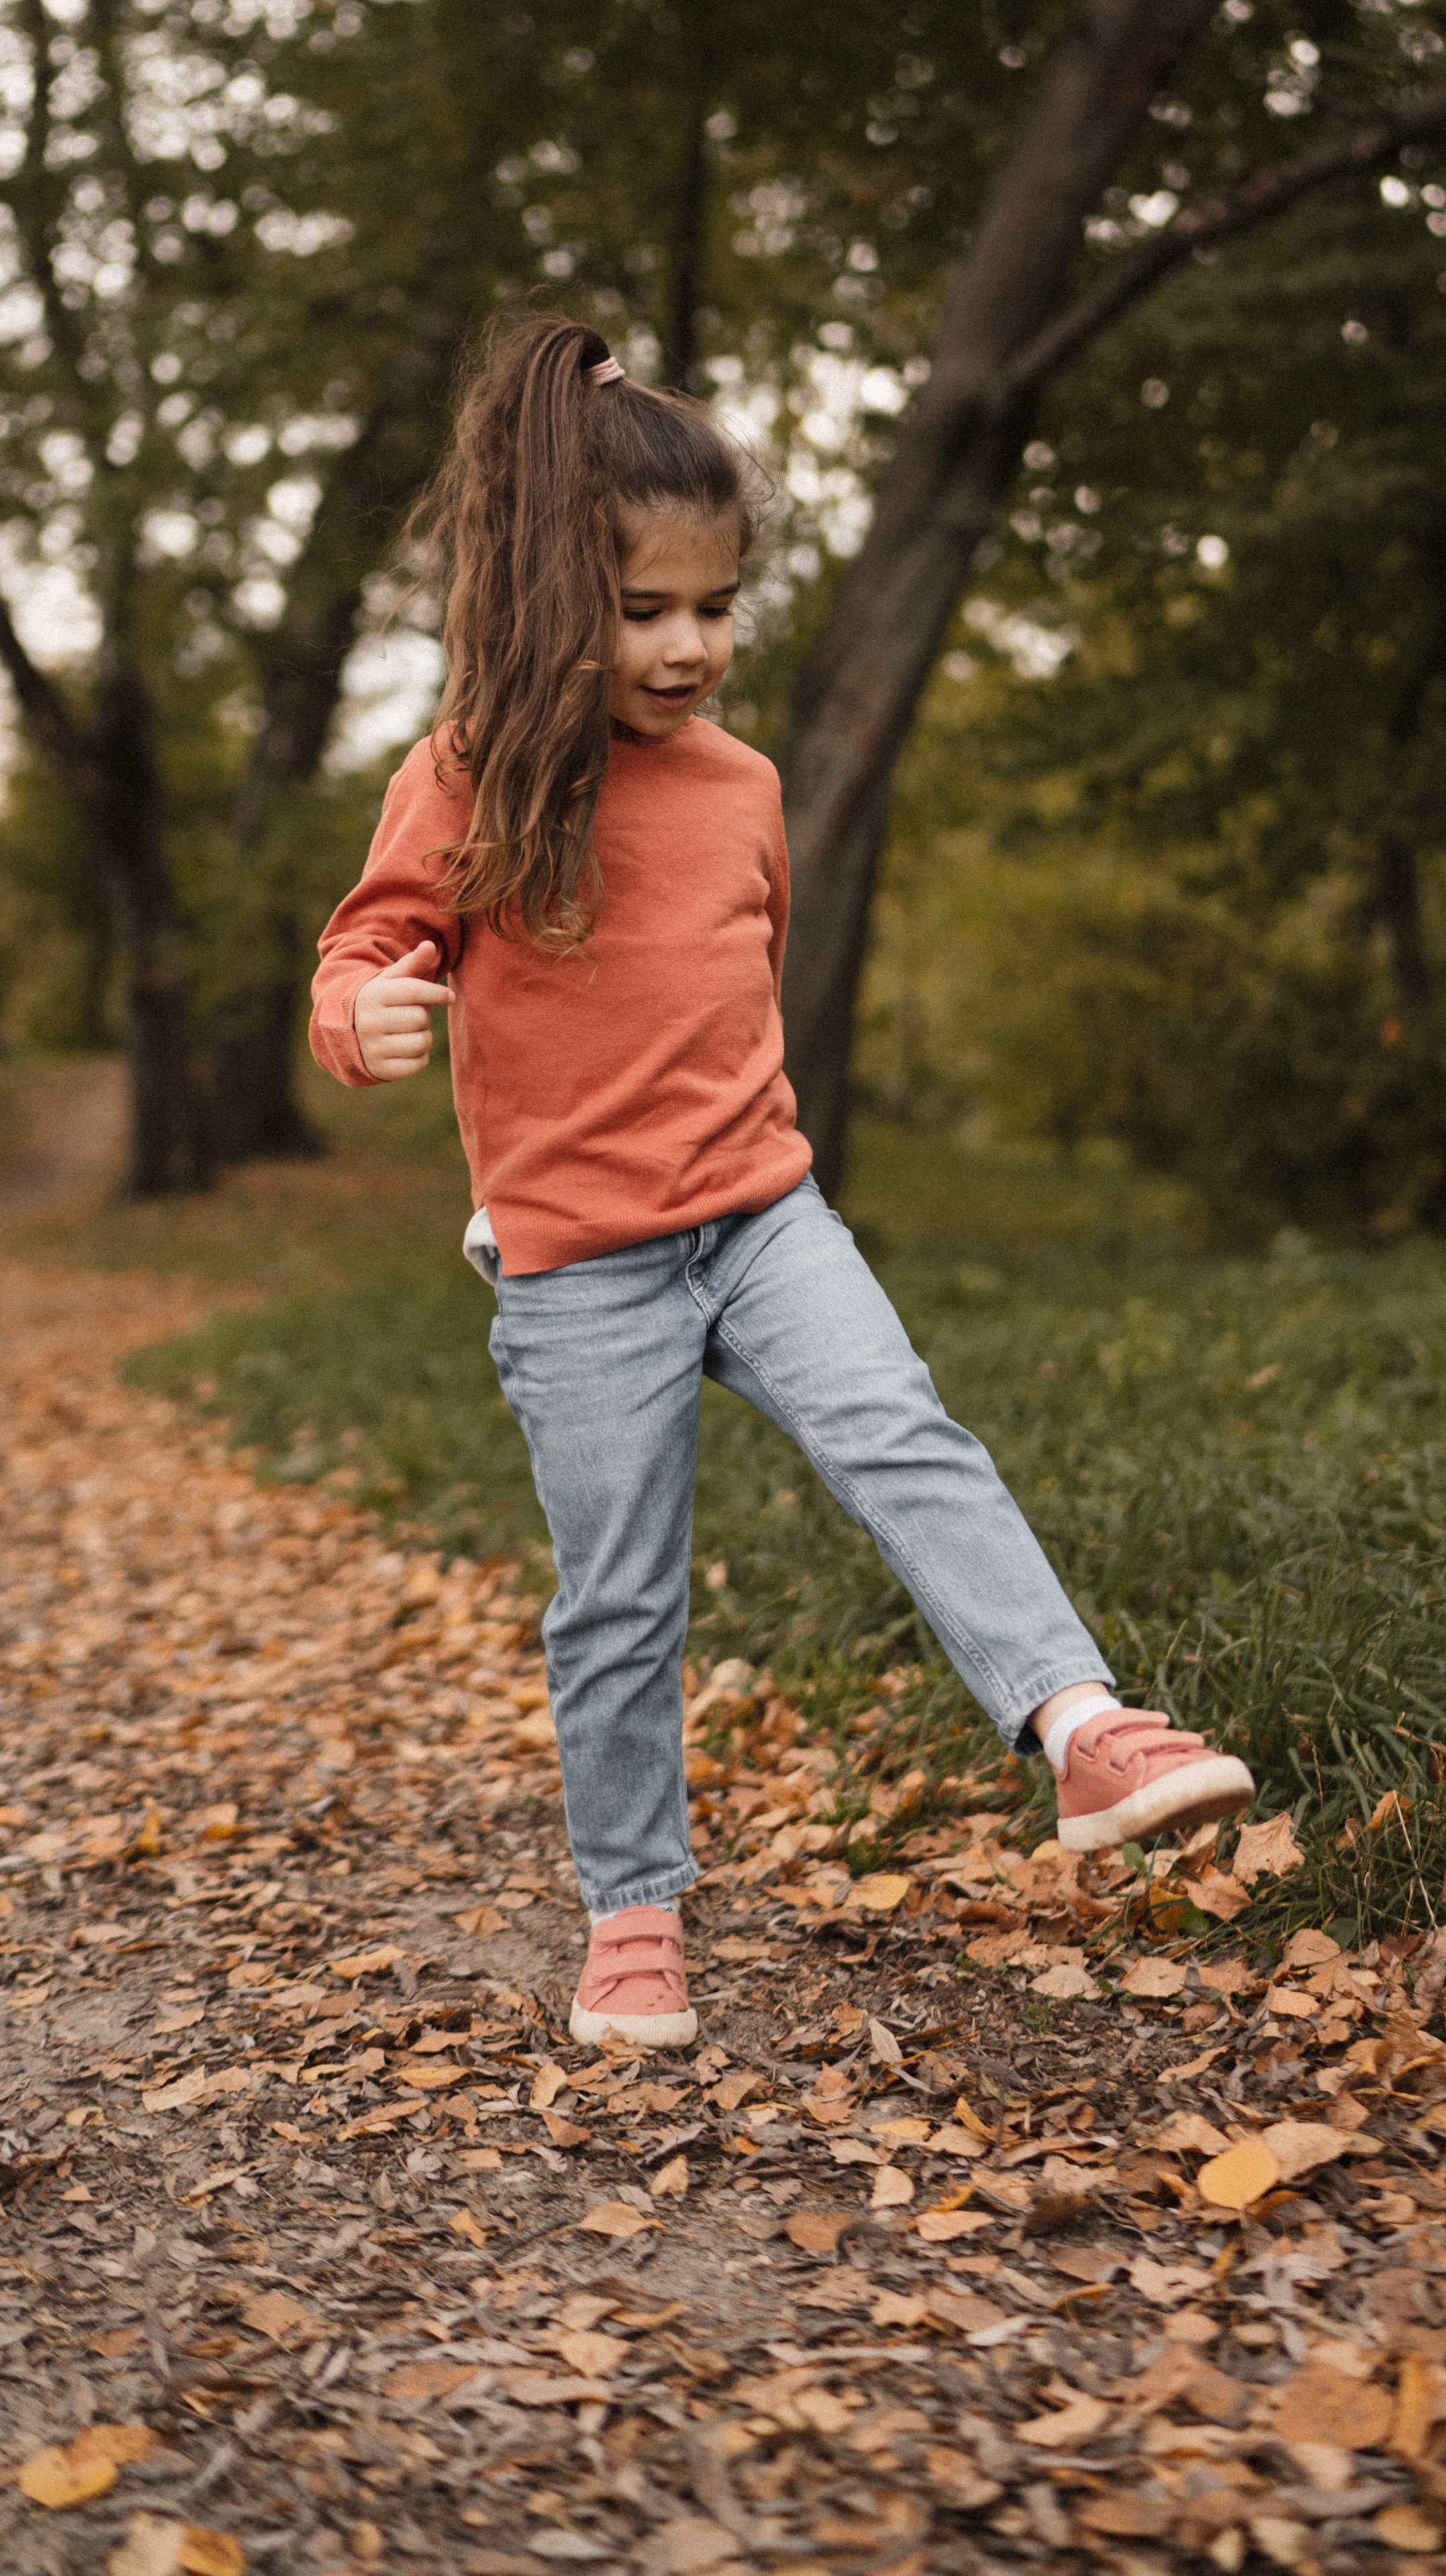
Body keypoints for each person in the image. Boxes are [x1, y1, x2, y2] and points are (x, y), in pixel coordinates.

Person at [309, 315, 1253, 2049]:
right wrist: (359, 1007)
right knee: (622, 1592)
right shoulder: (470, 777)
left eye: (716, 608)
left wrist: (752, 1151)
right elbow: (373, 937)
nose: (690, 647)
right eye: (644, 609)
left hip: (761, 1214)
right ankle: (636, 1910)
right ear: (542, 601)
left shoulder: (745, 788)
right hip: (582, 1262)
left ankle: (1081, 1726)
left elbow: (742, 994)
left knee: (905, 1433)